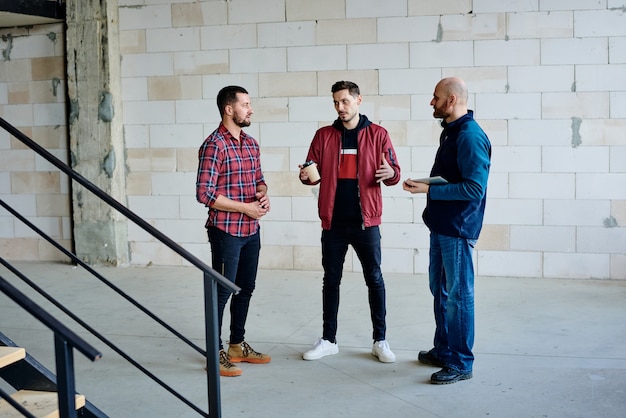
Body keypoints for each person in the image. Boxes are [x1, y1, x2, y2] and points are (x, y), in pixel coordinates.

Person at [299, 80, 401, 363]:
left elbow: (394, 174)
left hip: (366, 222)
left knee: (374, 278)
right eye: (335, 102)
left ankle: (380, 340)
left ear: (358, 100)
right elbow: (309, 169)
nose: (340, 107)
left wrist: (390, 172)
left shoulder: (378, 134)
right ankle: (329, 340)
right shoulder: (323, 136)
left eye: (344, 101)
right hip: (333, 222)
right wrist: (305, 174)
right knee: (331, 280)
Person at [403, 77, 491, 384]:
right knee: (440, 292)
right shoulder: (452, 132)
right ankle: (444, 349)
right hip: (441, 226)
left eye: (436, 97)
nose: (432, 102)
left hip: (457, 229)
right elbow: (453, 178)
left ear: (451, 100)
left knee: (459, 296)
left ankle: (461, 362)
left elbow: (474, 188)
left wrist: (427, 192)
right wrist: (426, 185)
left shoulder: (469, 136)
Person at [196, 85, 271, 377]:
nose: (250, 109)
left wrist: (263, 195)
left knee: (246, 288)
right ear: (229, 109)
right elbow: (205, 193)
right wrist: (245, 208)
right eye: (245, 104)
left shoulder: (251, 143)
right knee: (223, 291)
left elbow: (259, 180)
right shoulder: (214, 145)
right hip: (226, 230)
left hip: (251, 229)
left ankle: (237, 345)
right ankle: (214, 353)